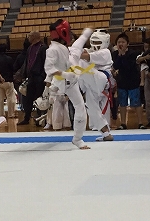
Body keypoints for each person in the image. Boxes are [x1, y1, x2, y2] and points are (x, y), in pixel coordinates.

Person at [44, 19, 89, 149]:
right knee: (75, 107)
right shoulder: (52, 50)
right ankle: (77, 139)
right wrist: (64, 75)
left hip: (70, 80)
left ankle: (77, 139)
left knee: (80, 107)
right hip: (62, 82)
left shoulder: (62, 48)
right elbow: (49, 69)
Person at [72, 28, 114, 141]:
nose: (95, 45)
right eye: (93, 42)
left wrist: (71, 53)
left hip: (102, 78)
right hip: (92, 84)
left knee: (79, 63)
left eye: (98, 43)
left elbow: (85, 56)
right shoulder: (89, 50)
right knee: (91, 107)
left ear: (105, 43)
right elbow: (82, 51)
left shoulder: (106, 52)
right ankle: (106, 134)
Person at [112, 33, 146, 129]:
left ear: (127, 43)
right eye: (119, 42)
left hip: (133, 81)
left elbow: (129, 66)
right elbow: (116, 66)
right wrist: (119, 55)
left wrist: (123, 55)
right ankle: (123, 123)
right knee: (122, 103)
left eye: (123, 42)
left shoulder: (133, 53)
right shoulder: (115, 54)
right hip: (122, 82)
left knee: (136, 103)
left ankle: (140, 123)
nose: (120, 44)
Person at [17, 31, 48, 125]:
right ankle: (27, 118)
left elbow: (45, 62)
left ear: (35, 36)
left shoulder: (43, 48)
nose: (28, 38)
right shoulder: (30, 48)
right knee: (27, 98)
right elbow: (27, 62)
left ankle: (39, 118)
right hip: (31, 77)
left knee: (39, 98)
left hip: (39, 77)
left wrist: (43, 76)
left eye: (30, 36)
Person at [0, 43, 16, 118]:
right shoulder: (9, 58)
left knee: (0, 98)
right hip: (8, 81)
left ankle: (1, 114)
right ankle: (11, 114)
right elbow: (12, 69)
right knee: (10, 98)